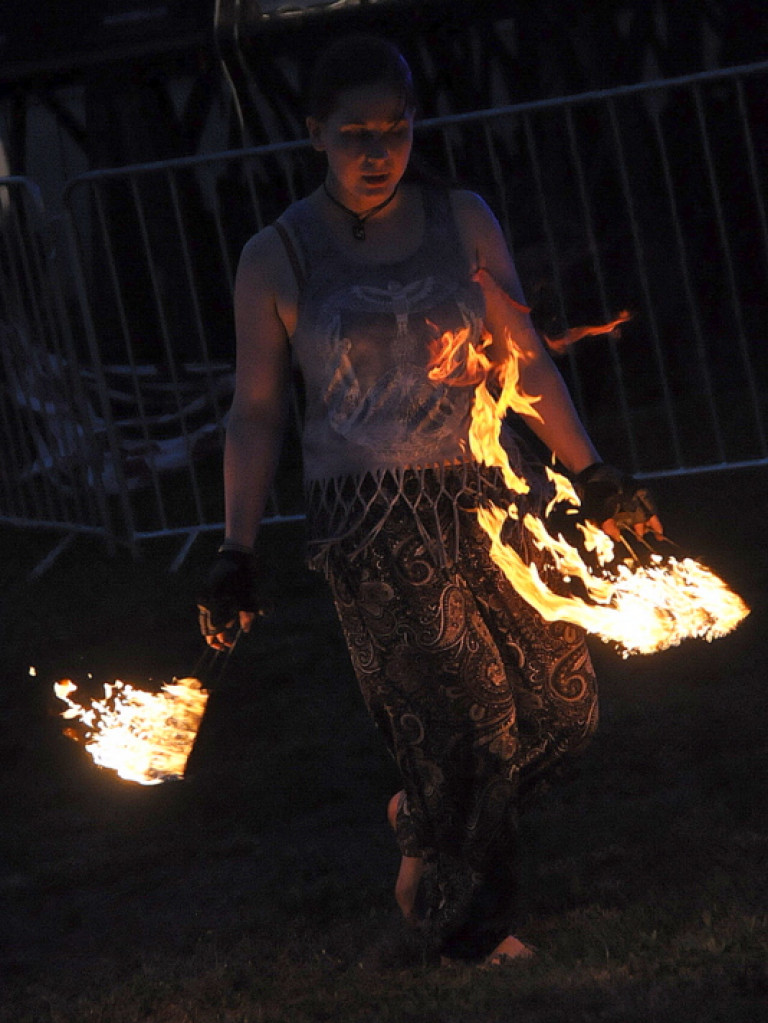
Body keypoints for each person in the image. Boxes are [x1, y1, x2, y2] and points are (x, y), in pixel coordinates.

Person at [198, 33, 661, 966]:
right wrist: (233, 550)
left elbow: (524, 356)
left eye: (396, 130)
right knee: (477, 716)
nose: (378, 152)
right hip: (370, 520)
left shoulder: (464, 220)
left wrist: (595, 474)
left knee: (563, 709)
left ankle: (426, 817)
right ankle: (473, 928)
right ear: (313, 132)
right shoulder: (276, 255)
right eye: (354, 133)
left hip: (484, 501)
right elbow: (254, 414)